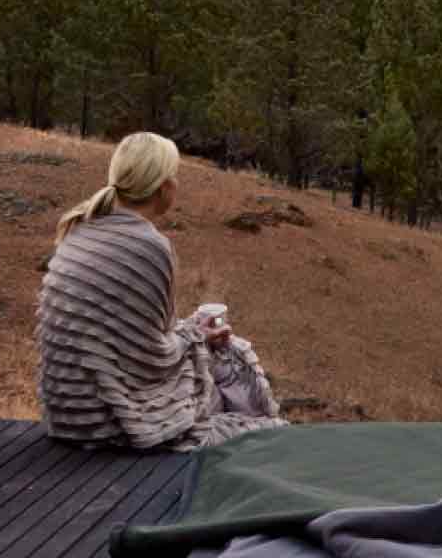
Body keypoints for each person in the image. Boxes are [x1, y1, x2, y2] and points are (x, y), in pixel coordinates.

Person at [37, 131, 285, 450]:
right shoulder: (148, 246)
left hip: (68, 413)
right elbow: (156, 356)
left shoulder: (81, 229)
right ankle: (271, 428)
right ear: (163, 186)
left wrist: (194, 334)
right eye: (175, 176)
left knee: (212, 351)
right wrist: (196, 337)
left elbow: (132, 343)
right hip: (110, 422)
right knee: (234, 362)